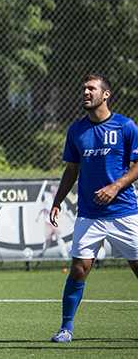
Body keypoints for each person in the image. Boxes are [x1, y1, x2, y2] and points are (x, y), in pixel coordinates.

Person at [49, 73, 138, 343]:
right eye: (84, 89)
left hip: (125, 212)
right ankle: (65, 328)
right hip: (89, 214)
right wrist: (57, 200)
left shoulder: (126, 126)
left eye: (91, 89)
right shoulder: (76, 130)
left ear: (105, 94)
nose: (86, 92)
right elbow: (72, 169)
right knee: (79, 268)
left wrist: (115, 187)